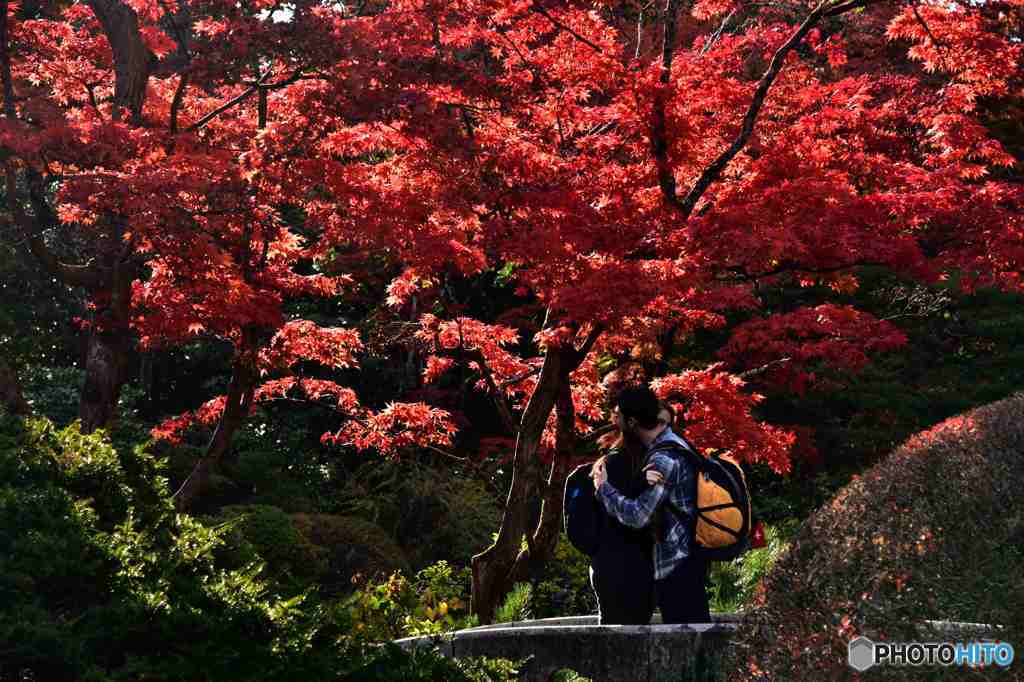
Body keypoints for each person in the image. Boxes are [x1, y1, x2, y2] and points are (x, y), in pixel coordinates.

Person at [591, 386, 710, 624]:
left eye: (619, 416)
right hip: (689, 558)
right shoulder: (674, 443)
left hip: (678, 564)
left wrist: (603, 488)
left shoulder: (663, 459)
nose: (617, 422)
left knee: (685, 648)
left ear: (632, 421)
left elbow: (638, 516)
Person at [584, 401, 676, 625]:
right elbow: (634, 516)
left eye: (667, 425)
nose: (661, 430)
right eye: (657, 423)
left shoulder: (657, 461)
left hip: (642, 563)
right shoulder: (615, 462)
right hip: (617, 564)